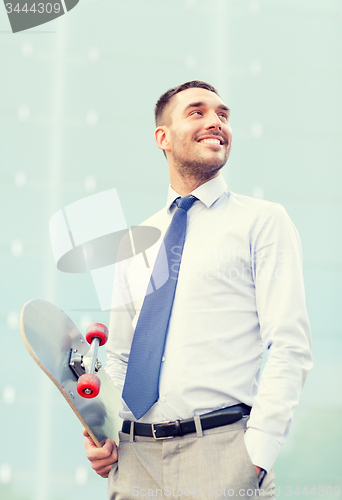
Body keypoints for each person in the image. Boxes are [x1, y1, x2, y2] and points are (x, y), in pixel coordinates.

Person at [83, 81, 313, 499]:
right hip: (135, 462)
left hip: (223, 455)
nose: (216, 123)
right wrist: (105, 436)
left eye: (223, 115)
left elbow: (290, 345)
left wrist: (255, 456)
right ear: (163, 138)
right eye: (197, 112)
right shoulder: (133, 242)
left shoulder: (263, 221)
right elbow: (118, 357)